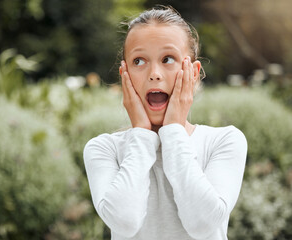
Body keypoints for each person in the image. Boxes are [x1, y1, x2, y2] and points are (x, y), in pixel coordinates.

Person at [83, 6, 247, 240]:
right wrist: (141, 133)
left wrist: (173, 131)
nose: (154, 74)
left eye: (167, 59)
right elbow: (124, 222)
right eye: (139, 61)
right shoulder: (103, 149)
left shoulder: (224, 141)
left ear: (193, 72)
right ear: (124, 74)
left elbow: (203, 224)